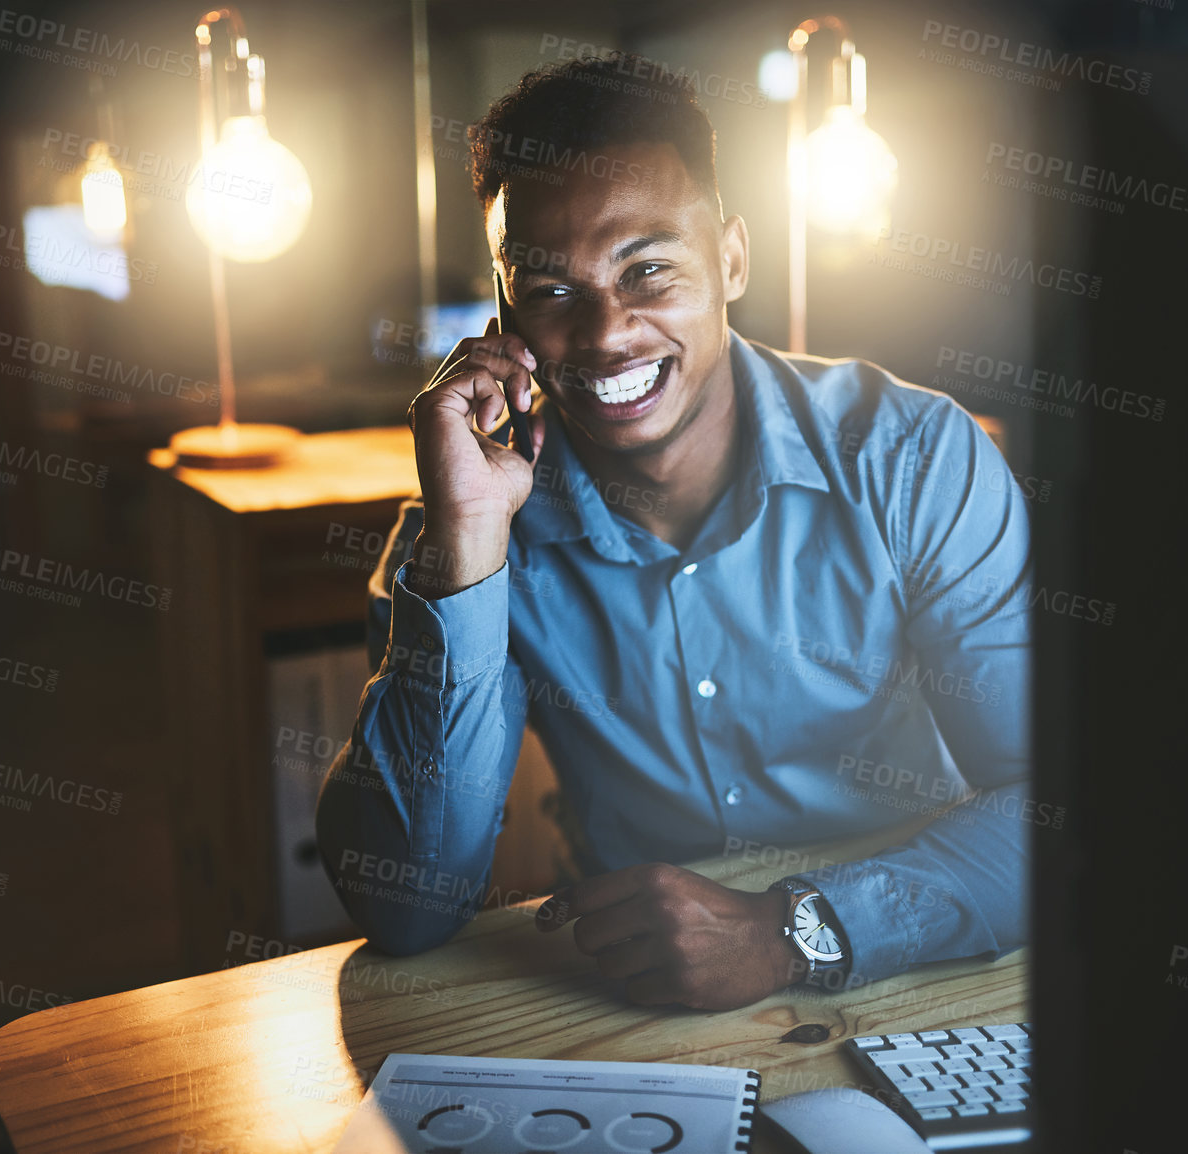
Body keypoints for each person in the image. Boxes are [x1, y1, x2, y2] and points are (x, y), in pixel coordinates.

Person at [314, 54, 1031, 1011]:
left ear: (732, 258)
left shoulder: (911, 458)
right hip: (628, 1002)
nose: (608, 333)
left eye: (648, 269)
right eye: (552, 289)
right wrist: (468, 547)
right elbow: (402, 910)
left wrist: (789, 931)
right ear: (502, 306)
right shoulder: (466, 529)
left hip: (922, 966)